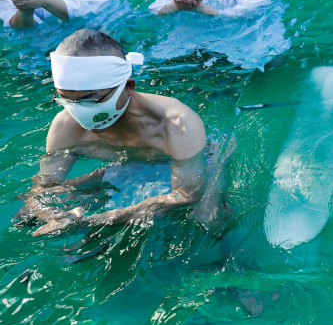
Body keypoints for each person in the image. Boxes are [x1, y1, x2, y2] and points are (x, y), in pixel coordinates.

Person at [15, 29, 218, 237]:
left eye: (91, 100)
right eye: (67, 100)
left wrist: (94, 221)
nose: (79, 112)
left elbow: (188, 195)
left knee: (205, 220)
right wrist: (53, 215)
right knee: (27, 213)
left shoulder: (177, 123)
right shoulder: (65, 125)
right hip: (125, 170)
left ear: (128, 86)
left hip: (196, 168)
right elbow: (44, 187)